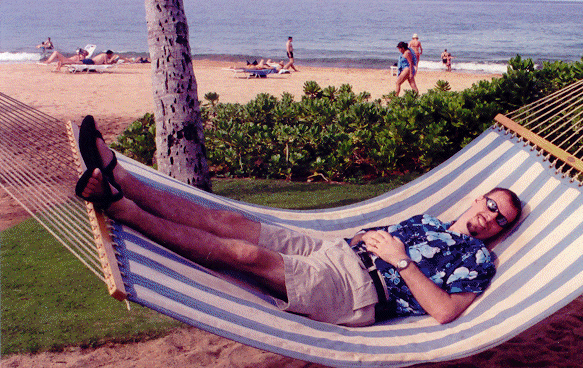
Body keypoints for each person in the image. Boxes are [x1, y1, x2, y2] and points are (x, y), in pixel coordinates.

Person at [74, 117, 522, 326]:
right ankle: (122, 177)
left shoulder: (477, 259)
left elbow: (444, 311)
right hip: (335, 248)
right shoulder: (431, 221)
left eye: (500, 219)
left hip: (358, 291)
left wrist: (401, 260)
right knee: (227, 219)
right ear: (477, 198)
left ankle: (123, 209)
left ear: (501, 230)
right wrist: (368, 237)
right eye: (491, 204)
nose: (490, 217)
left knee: (244, 255)